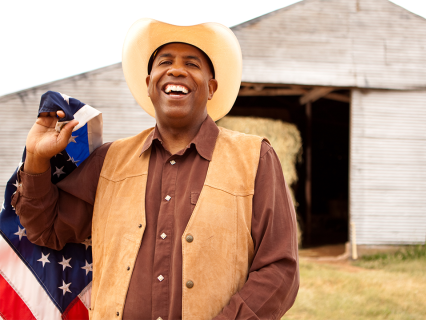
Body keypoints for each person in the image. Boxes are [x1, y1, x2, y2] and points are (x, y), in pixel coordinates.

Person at [12, 19, 299, 320]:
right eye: (165, 61)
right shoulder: (109, 160)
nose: (176, 70)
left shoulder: (255, 158)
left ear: (212, 87)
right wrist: (36, 158)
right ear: (149, 84)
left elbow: (279, 268)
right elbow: (45, 229)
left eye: (192, 63)